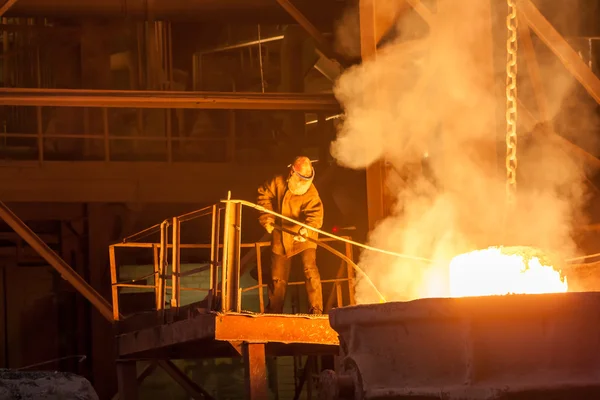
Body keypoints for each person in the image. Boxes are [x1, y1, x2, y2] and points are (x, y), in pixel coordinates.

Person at [257, 156, 324, 314]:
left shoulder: (311, 194)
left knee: (310, 270)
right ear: (292, 172)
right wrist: (267, 218)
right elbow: (263, 195)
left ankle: (316, 311)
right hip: (281, 235)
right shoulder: (278, 182)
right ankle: (274, 312)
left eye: (305, 180)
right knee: (277, 277)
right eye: (300, 179)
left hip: (304, 236)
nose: (302, 184)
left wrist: (306, 230)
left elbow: (315, 217)